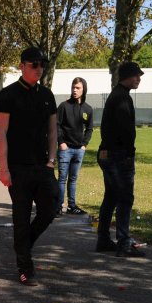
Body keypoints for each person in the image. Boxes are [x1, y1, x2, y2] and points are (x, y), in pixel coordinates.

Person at [0, 47, 59, 286]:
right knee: (21, 217)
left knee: (51, 207)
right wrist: (4, 168)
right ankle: (25, 266)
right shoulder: (8, 95)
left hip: (42, 166)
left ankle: (24, 246)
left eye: (42, 64)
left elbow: (53, 130)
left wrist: (51, 160)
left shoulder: (47, 95)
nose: (39, 69)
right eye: (34, 64)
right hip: (18, 167)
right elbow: (1, 133)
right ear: (22, 66)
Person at [96, 61, 145, 257]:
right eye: (135, 76)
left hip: (108, 153)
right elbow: (126, 131)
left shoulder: (116, 95)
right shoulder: (122, 98)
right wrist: (129, 152)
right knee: (125, 197)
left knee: (111, 197)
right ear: (126, 76)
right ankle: (124, 242)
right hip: (118, 155)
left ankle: (103, 239)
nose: (138, 79)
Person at [55, 77, 93, 216]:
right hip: (65, 149)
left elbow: (89, 129)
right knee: (62, 178)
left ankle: (72, 206)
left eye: (78, 88)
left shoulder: (88, 109)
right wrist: (61, 142)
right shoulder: (63, 106)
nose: (75, 90)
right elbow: (56, 125)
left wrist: (84, 145)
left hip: (79, 150)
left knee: (73, 179)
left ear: (84, 90)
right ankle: (58, 206)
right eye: (73, 87)